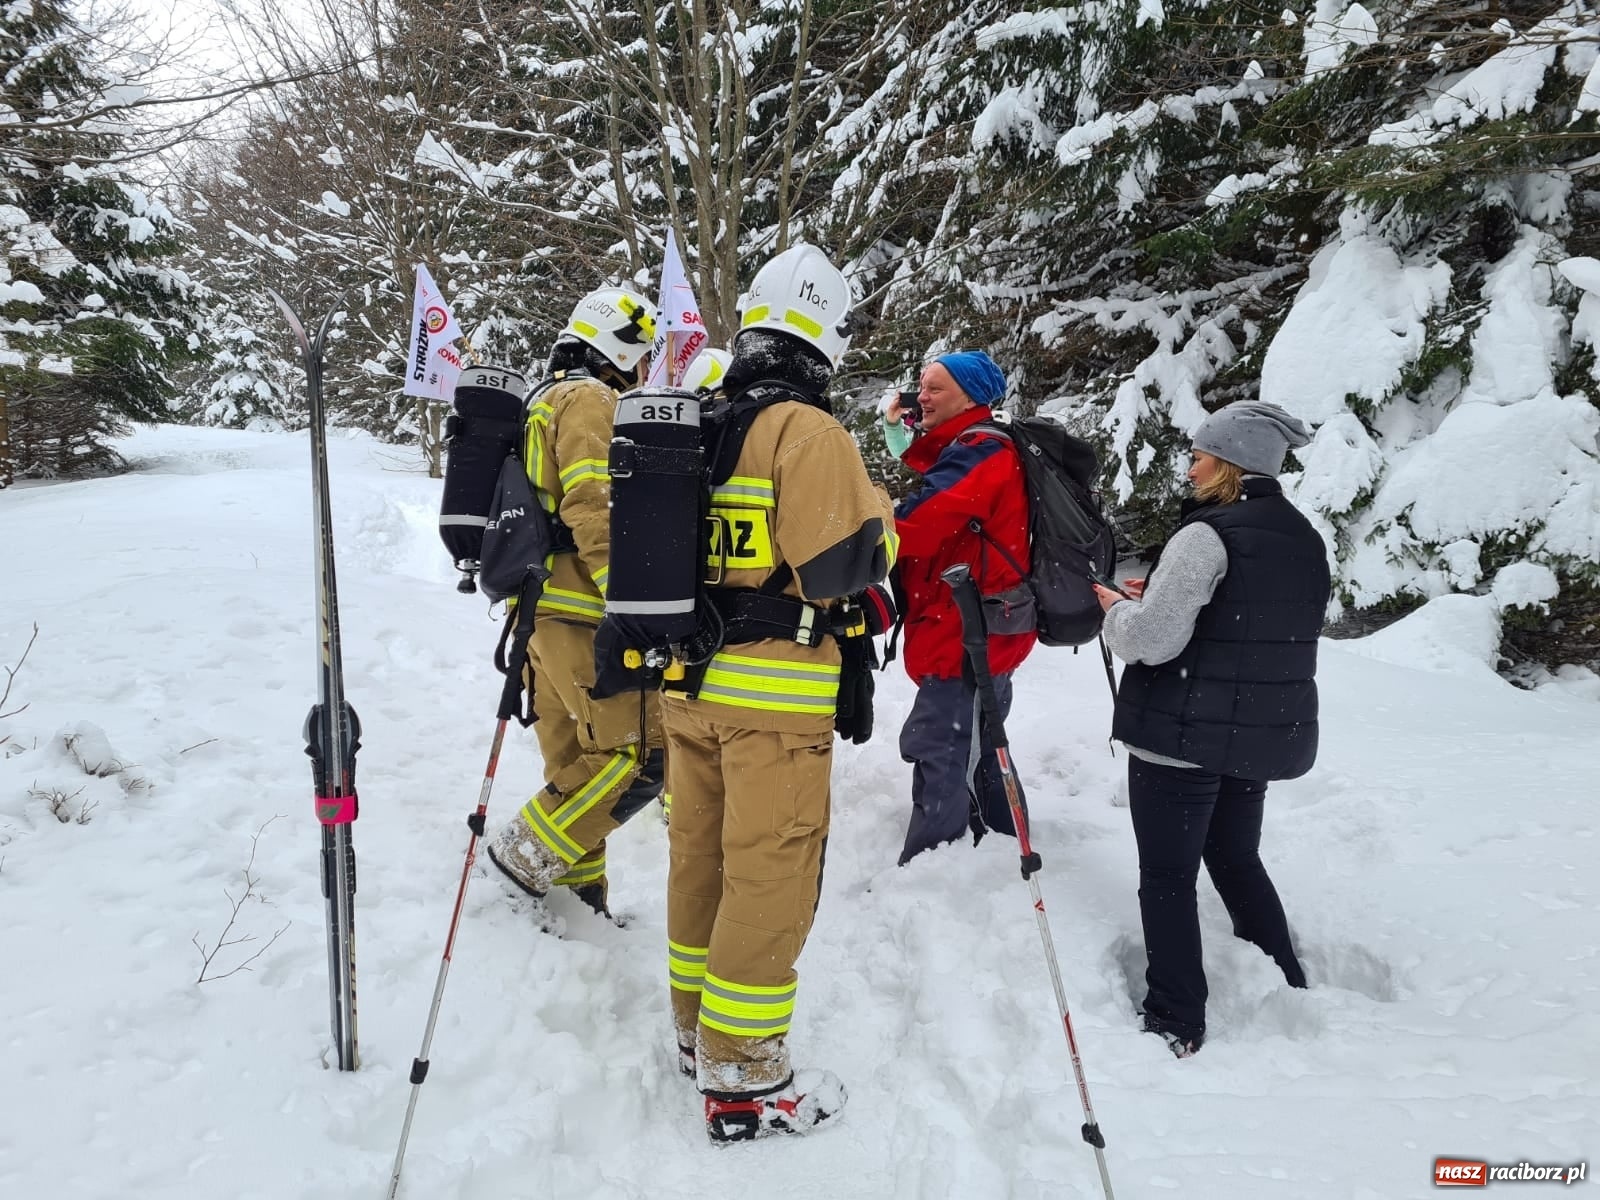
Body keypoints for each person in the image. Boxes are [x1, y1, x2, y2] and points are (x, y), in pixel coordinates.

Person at [617, 244, 896, 1142]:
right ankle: (742, 1078)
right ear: (826, 334)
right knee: (770, 876)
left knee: (700, 863)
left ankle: (695, 1033)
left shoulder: (705, 418)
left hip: (687, 690)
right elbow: (838, 567)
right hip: (772, 705)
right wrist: (881, 514)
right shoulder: (806, 432)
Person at [1093, 399, 1329, 1058]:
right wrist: (1159, 598)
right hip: (1254, 739)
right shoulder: (1302, 536)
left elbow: (1153, 643)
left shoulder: (1205, 534)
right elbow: (1251, 622)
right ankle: (1285, 979)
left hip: (1182, 739)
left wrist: (1115, 611)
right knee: (1234, 855)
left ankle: (1175, 1018)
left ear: (1230, 463)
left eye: (1200, 456)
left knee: (1167, 875)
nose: (1191, 468)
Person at [485, 287, 667, 918]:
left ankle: (575, 902)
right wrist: (633, 601)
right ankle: (525, 852)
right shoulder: (589, 399)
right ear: (620, 347)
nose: (643, 373)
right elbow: (595, 507)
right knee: (640, 755)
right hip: (583, 611)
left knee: (575, 758)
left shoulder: (541, 400)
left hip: (540, 613)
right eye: (641, 357)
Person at [883, 350, 1037, 866]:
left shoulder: (982, 453)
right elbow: (941, 480)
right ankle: (993, 830)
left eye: (935, 389)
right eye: (920, 385)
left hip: (966, 629)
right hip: (984, 623)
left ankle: (935, 862)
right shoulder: (974, 448)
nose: (921, 397)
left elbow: (923, 523)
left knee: (942, 746)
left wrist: (869, 520)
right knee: (981, 738)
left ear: (970, 397)